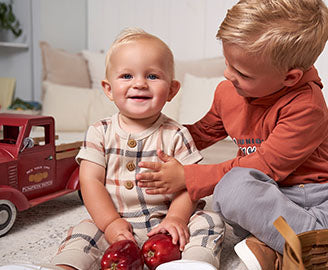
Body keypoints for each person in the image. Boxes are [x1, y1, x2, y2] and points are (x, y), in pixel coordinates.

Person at [136, 0, 328, 269]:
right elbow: (201, 132)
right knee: (233, 187)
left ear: (290, 77)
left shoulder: (307, 105)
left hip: (321, 193)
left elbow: (265, 165)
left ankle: (286, 240)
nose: (227, 75)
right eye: (227, 63)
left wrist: (188, 177)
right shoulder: (228, 92)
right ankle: (304, 239)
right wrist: (154, 135)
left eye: (242, 73)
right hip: (265, 198)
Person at [50, 28, 225, 270]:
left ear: (172, 90)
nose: (140, 84)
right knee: (84, 232)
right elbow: (90, 182)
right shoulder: (99, 132)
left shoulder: (176, 134)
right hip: (117, 222)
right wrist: (110, 223)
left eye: (152, 76)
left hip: (166, 223)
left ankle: (194, 263)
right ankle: (64, 266)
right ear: (108, 89)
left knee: (209, 221)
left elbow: (190, 185)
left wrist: (176, 218)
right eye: (126, 76)